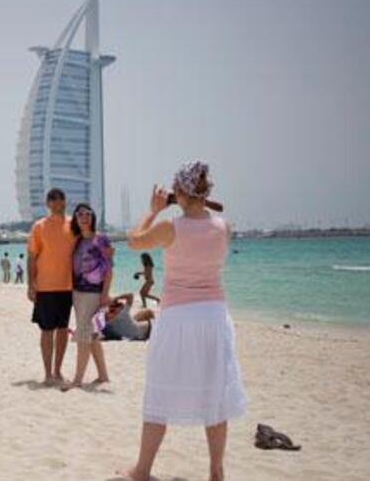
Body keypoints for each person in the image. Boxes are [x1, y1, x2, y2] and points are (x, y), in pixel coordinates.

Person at [120, 161, 246, 481]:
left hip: (178, 317)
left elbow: (133, 240)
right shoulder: (224, 226)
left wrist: (153, 210)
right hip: (214, 317)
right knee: (214, 396)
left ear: (180, 191)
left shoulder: (170, 227)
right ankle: (216, 472)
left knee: (159, 394)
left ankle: (142, 470)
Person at [62, 203, 112, 391]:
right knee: (91, 335)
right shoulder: (76, 241)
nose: (84, 217)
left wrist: (105, 294)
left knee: (83, 335)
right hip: (77, 293)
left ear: (92, 217)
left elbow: (109, 269)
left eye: (88, 214)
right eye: (80, 214)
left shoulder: (102, 239)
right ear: (75, 218)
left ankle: (77, 380)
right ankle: (103, 375)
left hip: (94, 293)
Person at [27, 188, 76, 385]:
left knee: (63, 330)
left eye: (60, 199)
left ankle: (58, 371)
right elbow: (32, 257)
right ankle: (47, 373)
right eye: (52, 200)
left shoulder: (74, 225)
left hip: (68, 286)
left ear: (65, 202)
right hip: (45, 287)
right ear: (47, 204)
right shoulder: (39, 226)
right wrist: (31, 284)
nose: (57, 203)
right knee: (47, 330)